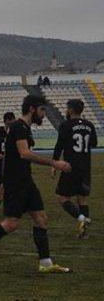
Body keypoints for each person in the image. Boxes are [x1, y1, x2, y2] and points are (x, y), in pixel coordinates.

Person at [0, 95, 73, 275]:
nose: (44, 114)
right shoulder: (19, 127)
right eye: (42, 110)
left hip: (25, 181)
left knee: (41, 218)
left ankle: (46, 263)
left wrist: (2, 183)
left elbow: (10, 156)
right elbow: (24, 154)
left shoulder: (23, 128)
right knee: (11, 223)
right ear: (32, 109)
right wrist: (54, 163)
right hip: (17, 183)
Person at [51, 99, 97, 239]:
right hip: (85, 167)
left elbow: (59, 146)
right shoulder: (90, 125)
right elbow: (93, 144)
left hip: (70, 167)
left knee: (62, 198)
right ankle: (83, 232)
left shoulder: (65, 125)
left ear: (70, 110)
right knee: (82, 199)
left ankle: (81, 217)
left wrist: (54, 164)